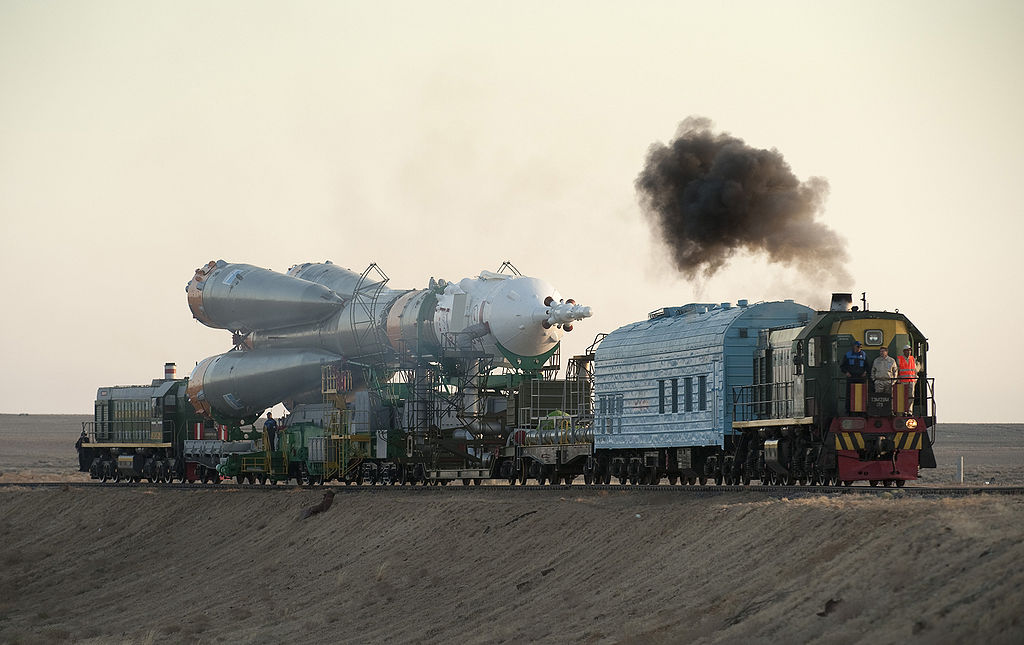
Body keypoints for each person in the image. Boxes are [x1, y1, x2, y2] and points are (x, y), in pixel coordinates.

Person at [840, 340, 867, 412]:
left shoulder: (864, 355)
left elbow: (867, 365)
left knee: (861, 394)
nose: (859, 348)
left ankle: (861, 411)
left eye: (860, 347)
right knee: (849, 395)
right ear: (854, 346)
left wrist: (865, 372)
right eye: (858, 347)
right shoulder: (848, 354)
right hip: (851, 377)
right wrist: (846, 372)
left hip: (861, 378)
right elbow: (842, 366)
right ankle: (848, 410)